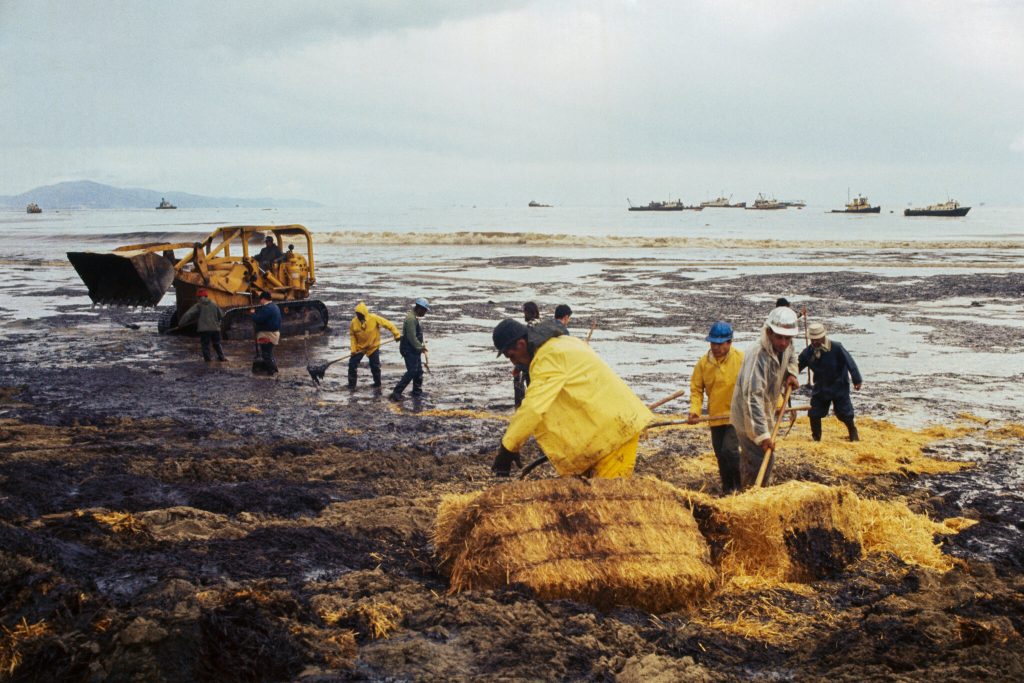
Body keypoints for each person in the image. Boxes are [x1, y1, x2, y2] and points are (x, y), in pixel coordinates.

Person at [491, 318, 653, 479]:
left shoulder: (549, 357)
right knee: (591, 492)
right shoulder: (562, 343)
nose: (513, 362)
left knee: (607, 493)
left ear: (521, 344)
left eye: (511, 356)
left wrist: (508, 448)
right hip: (604, 429)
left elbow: (533, 407)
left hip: (615, 434)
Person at [730, 307, 801, 489]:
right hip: (747, 417)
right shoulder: (758, 355)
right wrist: (762, 435)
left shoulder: (786, 346)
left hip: (765, 409)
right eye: (780, 337)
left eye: (787, 338)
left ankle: (749, 489)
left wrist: (791, 374)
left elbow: (792, 357)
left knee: (756, 459)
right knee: (762, 459)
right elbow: (752, 398)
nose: (784, 343)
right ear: (769, 332)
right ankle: (752, 494)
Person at [688, 321, 744, 493]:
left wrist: (777, 402)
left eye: (720, 344)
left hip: (736, 415)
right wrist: (695, 411)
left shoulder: (741, 359)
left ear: (730, 342)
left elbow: (758, 382)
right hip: (716, 416)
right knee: (720, 454)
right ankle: (727, 489)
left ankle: (739, 487)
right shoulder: (703, 363)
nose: (715, 347)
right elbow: (696, 390)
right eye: (713, 343)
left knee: (730, 451)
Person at [798, 322, 863, 442]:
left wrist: (856, 380)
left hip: (839, 385)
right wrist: (788, 378)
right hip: (821, 387)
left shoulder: (837, 347)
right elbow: (796, 366)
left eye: (818, 339)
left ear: (823, 336)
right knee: (814, 412)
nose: (815, 342)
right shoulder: (807, 353)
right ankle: (816, 437)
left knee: (845, 413)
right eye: (813, 339)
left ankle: (853, 431)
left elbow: (850, 362)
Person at [348, 301, 400, 390]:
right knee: (352, 364)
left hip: (373, 346)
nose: (358, 316)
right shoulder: (354, 322)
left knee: (375, 366)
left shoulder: (374, 318)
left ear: (364, 313)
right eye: (357, 314)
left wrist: (396, 334)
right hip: (360, 348)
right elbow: (352, 336)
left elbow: (388, 324)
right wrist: (353, 350)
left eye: (360, 314)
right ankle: (351, 385)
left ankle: (377, 384)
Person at [389, 298, 430, 401]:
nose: (425, 313)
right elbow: (412, 337)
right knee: (412, 371)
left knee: (418, 371)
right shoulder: (411, 319)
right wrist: (420, 347)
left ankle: (417, 392)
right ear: (420, 308)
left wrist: (419, 347)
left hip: (414, 349)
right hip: (409, 349)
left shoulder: (413, 317)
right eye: (425, 310)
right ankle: (396, 392)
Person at [176, 289, 226, 362]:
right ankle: (222, 358)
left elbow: (188, 314)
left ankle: (208, 361)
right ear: (206, 296)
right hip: (215, 329)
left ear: (199, 297)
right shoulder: (214, 304)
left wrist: (181, 324)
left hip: (205, 330)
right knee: (217, 343)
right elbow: (221, 315)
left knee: (205, 345)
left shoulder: (199, 305)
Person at [513, 301, 542, 407]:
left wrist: (519, 366)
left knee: (527, 389)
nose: (524, 315)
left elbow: (527, 348)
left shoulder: (530, 326)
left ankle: (521, 409)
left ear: (531, 312)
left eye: (525, 312)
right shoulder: (541, 324)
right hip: (541, 362)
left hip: (531, 364)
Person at [251, 291, 281, 375]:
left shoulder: (267, 308)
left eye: (260, 300)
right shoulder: (274, 306)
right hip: (274, 334)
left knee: (266, 355)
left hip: (267, 334)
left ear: (263, 299)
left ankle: (272, 372)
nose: (260, 302)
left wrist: (253, 313)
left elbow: (258, 319)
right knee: (270, 353)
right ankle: (275, 370)